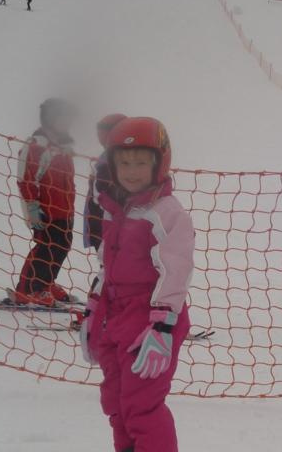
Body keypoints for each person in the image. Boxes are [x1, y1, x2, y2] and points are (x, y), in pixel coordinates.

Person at [80, 117, 193, 452]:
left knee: (142, 407)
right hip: (116, 315)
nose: (131, 172)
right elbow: (107, 265)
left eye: (141, 163)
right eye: (124, 163)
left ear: (159, 164)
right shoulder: (116, 209)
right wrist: (93, 310)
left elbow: (175, 270)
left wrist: (163, 326)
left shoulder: (166, 212)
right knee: (115, 403)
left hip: (150, 318)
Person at [12, 99, 77, 306]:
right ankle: (31, 289)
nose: (67, 122)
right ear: (49, 119)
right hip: (44, 209)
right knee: (46, 248)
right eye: (62, 117)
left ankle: (46, 283)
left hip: (64, 209)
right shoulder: (38, 145)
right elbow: (27, 178)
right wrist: (32, 206)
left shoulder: (63, 147)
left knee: (62, 246)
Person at [83, 113, 127, 251]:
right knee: (110, 261)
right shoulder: (109, 161)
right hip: (105, 225)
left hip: (102, 223)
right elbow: (100, 195)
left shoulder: (109, 157)